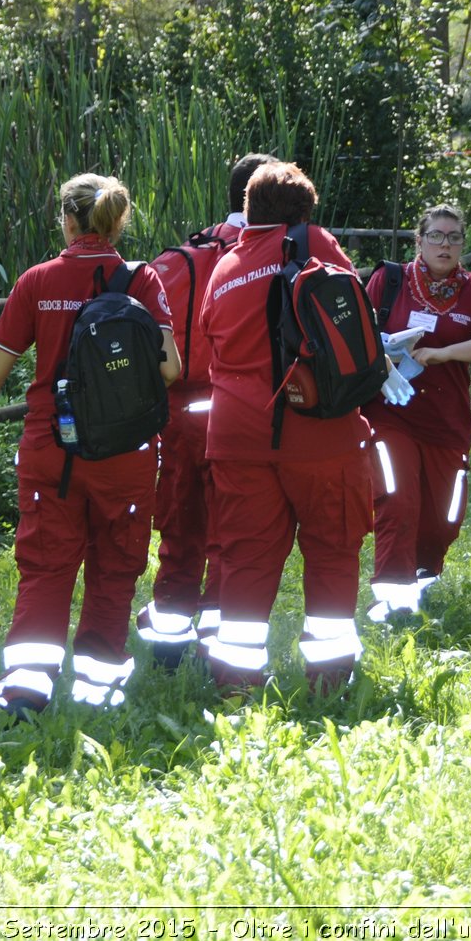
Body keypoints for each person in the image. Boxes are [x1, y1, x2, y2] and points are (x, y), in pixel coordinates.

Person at [0, 174, 180, 715]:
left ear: (67, 219)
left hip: (53, 450)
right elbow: (172, 369)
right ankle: (99, 689)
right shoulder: (142, 280)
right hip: (126, 455)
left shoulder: (38, 281)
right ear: (118, 222)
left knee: (46, 565)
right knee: (116, 565)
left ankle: (27, 689)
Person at [198, 162, 375, 691]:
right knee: (333, 551)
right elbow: (356, 315)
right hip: (318, 432)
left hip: (235, 435)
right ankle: (329, 678)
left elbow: (211, 334)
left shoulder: (224, 266)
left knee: (245, 560)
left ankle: (236, 680)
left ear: (248, 209)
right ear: (304, 212)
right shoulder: (314, 242)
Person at [137, 152, 278, 666]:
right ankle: (218, 645)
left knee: (179, 530)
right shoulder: (275, 255)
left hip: (179, 416)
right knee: (233, 536)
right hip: (243, 414)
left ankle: (167, 647)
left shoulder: (178, 257)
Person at [361, 204, 471, 623]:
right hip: (390, 414)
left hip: (447, 423)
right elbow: (358, 331)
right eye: (436, 236)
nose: (445, 244)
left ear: (462, 245)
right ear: (418, 242)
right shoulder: (390, 280)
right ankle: (390, 599)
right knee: (398, 501)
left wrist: (443, 354)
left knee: (444, 518)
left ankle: (419, 583)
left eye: (454, 237)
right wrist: (385, 359)